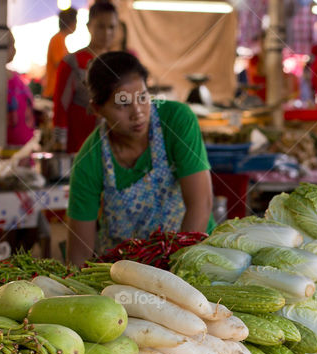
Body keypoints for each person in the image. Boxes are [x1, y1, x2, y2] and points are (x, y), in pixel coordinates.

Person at [66, 52, 212, 265]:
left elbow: (201, 204)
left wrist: (176, 273)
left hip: (190, 257)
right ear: (98, 109)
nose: (138, 113)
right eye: (122, 105)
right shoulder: (89, 160)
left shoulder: (177, 120)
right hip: (127, 275)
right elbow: (79, 254)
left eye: (143, 97)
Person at [53, 1, 118, 153]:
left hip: (110, 147)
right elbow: (60, 106)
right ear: (89, 26)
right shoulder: (73, 62)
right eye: (101, 26)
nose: (107, 33)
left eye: (111, 27)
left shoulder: (117, 65)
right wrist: (59, 143)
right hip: (79, 146)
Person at [44, 8, 77, 98]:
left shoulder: (60, 39)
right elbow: (60, 64)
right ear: (71, 22)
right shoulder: (57, 39)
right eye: (76, 21)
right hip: (54, 90)